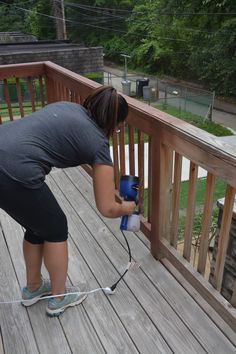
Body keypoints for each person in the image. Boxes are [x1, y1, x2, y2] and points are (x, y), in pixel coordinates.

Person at [0, 86, 136, 317]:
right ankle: (59, 298)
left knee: (37, 226)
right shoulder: (98, 144)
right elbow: (107, 208)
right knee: (56, 228)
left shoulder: (70, 108)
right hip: (16, 171)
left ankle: (33, 289)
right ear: (115, 124)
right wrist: (128, 207)